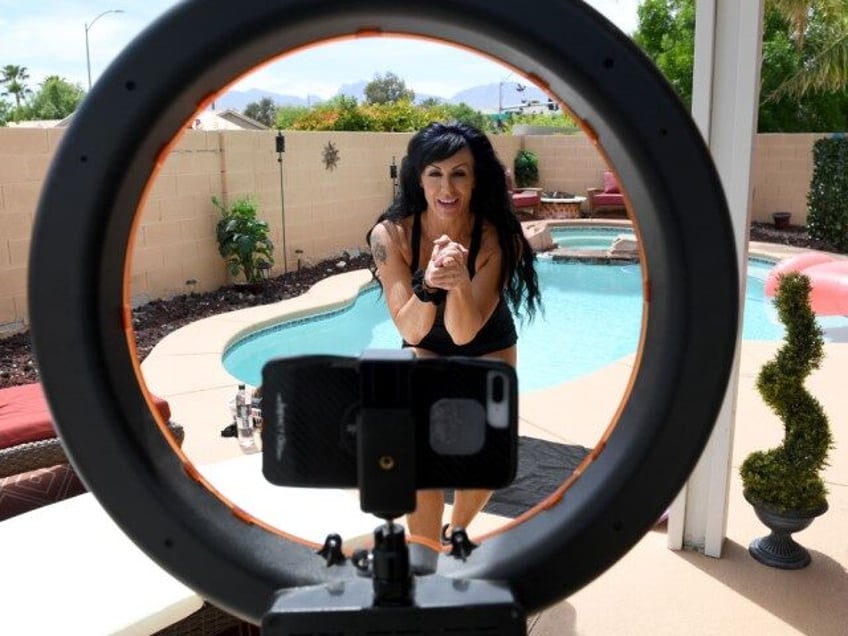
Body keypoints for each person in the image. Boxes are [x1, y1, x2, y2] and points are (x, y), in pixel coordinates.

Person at [366, 121, 541, 566]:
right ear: (417, 178)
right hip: (424, 334)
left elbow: (465, 331)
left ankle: (457, 530)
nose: (447, 187)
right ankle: (424, 556)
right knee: (418, 447)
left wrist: (459, 284)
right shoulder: (392, 236)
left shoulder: (496, 236)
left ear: (476, 178)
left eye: (459, 173)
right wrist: (428, 284)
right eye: (435, 173)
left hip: (486, 337)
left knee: (485, 452)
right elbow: (412, 330)